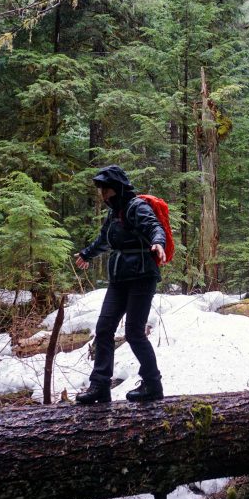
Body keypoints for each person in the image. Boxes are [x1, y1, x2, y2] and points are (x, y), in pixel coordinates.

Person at [74, 165, 167, 404]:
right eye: (102, 191)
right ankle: (100, 386)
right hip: (119, 279)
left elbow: (154, 227)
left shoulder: (137, 207)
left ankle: (153, 385)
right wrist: (87, 254)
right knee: (104, 330)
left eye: (106, 190)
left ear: (117, 188)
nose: (103, 195)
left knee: (134, 333)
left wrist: (158, 243)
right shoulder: (114, 213)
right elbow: (105, 240)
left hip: (142, 276)